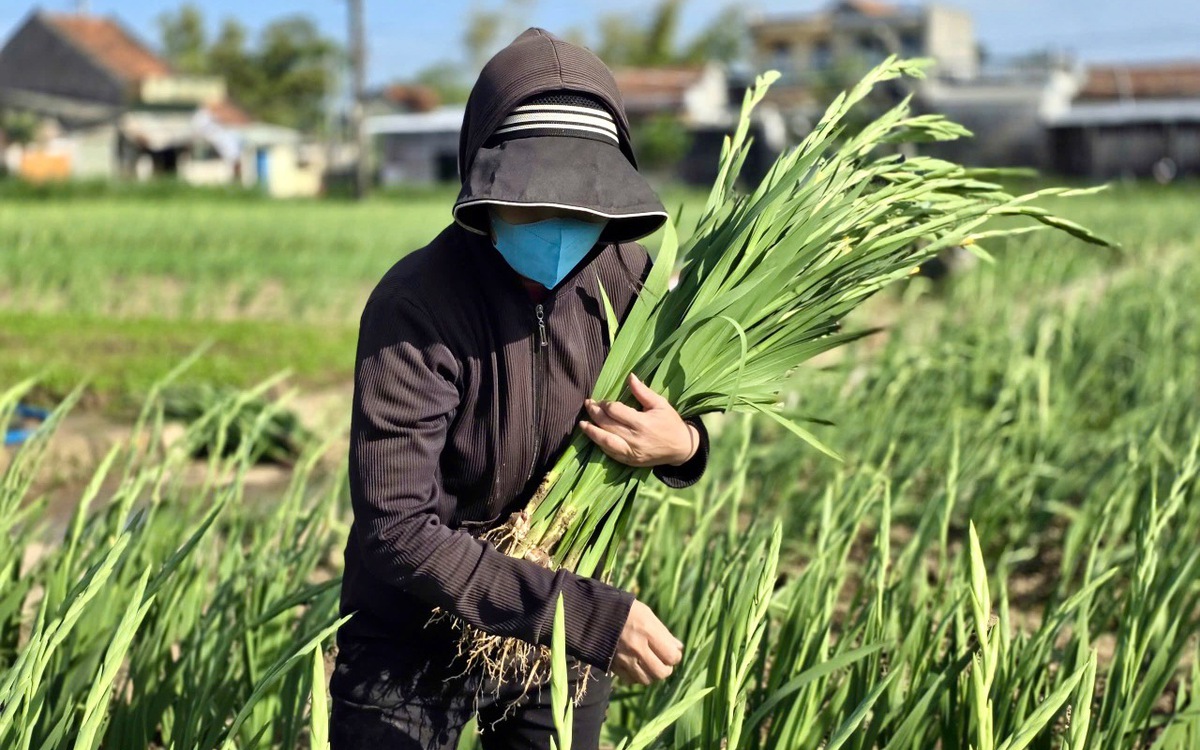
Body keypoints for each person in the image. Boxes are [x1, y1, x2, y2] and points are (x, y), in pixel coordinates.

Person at [329, 27, 710, 750]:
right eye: (534, 204)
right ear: (486, 189)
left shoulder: (633, 287)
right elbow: (398, 528)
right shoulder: (417, 306)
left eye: (581, 208)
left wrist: (681, 445)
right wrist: (587, 617)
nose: (561, 230)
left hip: (551, 641)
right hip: (414, 631)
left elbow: (682, 414)